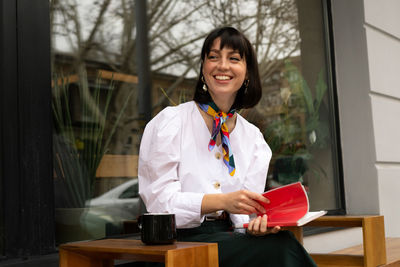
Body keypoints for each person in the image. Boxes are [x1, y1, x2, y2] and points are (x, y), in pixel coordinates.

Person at [138, 26, 317, 267]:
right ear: (203, 68)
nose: (222, 66)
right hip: (177, 243)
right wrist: (222, 201)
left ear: (247, 72)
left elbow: (246, 215)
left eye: (234, 58)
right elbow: (159, 204)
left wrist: (258, 226)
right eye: (213, 57)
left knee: (278, 242)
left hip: (231, 237)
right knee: (282, 250)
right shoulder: (170, 123)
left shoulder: (253, 139)